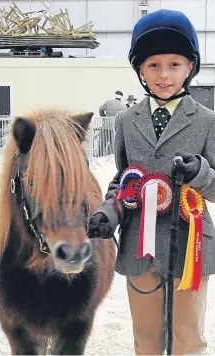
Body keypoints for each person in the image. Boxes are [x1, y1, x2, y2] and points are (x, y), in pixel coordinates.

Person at [88, 9, 215, 355]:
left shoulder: (207, 121)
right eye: (153, 66)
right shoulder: (127, 121)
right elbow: (123, 180)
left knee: (187, 337)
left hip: (190, 247)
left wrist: (201, 173)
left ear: (191, 67)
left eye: (174, 65)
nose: (163, 75)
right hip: (137, 248)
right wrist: (107, 214)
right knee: (146, 338)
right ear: (140, 71)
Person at [98, 91, 125, 156]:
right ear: (121, 97)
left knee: (102, 142)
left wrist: (103, 116)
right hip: (115, 128)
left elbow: (101, 109)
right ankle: (111, 157)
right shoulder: (123, 106)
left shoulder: (109, 102)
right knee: (113, 143)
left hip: (106, 126)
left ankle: (100, 155)